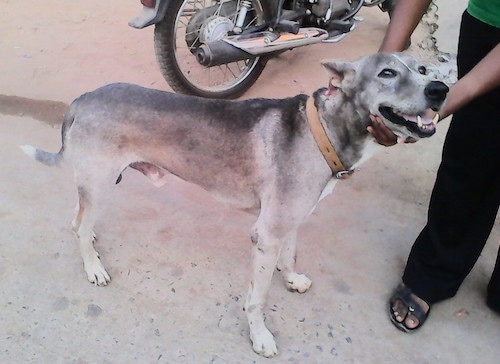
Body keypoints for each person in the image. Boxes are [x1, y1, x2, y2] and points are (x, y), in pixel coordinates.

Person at [368, 0, 500, 332]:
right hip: (490, 20)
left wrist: (431, 112)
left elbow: (462, 90)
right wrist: (377, 75)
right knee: (472, 154)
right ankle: (434, 271)